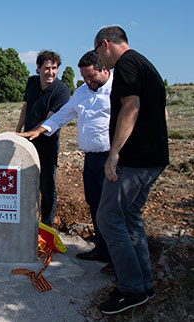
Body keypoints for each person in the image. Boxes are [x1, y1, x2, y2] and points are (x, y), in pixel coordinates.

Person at [93, 26, 169, 314]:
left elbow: (131, 107)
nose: (101, 59)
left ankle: (131, 288)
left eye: (99, 53)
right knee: (130, 217)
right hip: (154, 159)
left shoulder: (125, 64)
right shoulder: (144, 63)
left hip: (134, 161)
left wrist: (114, 153)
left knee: (108, 217)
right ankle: (143, 284)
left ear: (105, 44)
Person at [18, 50, 113, 262]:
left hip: (111, 158)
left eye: (92, 77)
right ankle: (102, 249)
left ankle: (117, 257)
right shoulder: (81, 92)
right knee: (95, 203)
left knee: (111, 207)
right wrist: (35, 130)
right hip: (91, 158)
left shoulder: (117, 88)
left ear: (104, 69)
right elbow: (61, 116)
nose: (88, 81)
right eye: (85, 77)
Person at [16, 50, 70, 226]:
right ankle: (27, 223)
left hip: (47, 144)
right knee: (26, 183)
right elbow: (26, 107)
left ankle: (46, 227)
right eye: (47, 68)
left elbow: (51, 118)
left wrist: (34, 132)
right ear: (38, 68)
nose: (51, 72)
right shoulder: (32, 82)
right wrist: (17, 131)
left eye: (54, 68)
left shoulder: (62, 90)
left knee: (46, 187)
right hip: (25, 141)